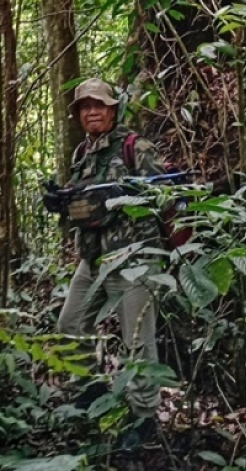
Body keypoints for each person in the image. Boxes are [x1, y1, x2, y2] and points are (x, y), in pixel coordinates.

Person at [43, 77, 166, 450]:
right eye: (85, 107)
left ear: (113, 109)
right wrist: (60, 201)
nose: (92, 111)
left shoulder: (135, 147)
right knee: (69, 325)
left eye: (99, 105)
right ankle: (92, 389)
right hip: (92, 259)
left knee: (137, 341)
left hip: (134, 259)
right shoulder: (83, 154)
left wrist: (132, 193)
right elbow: (83, 203)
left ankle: (144, 419)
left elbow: (167, 194)